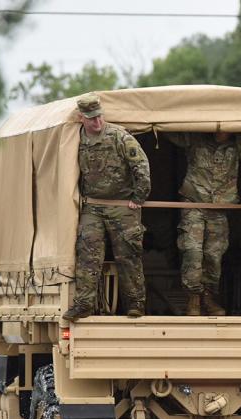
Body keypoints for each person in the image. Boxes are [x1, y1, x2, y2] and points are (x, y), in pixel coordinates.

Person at [63, 93, 151, 321]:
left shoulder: (119, 136)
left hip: (122, 205)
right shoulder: (76, 139)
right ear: (82, 117)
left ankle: (135, 303)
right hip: (93, 206)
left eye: (100, 117)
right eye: (92, 118)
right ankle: (84, 304)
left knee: (128, 254)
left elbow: (140, 165)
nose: (98, 122)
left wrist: (139, 197)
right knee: (88, 253)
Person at [167, 131, 241, 315]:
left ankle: (208, 297)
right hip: (194, 203)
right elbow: (170, 129)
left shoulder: (237, 145)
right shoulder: (195, 138)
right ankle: (193, 298)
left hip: (219, 208)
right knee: (192, 251)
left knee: (214, 255)